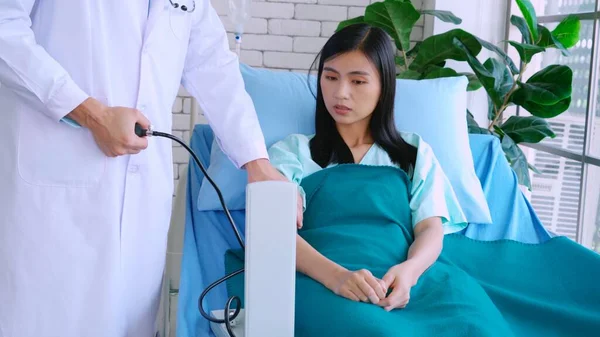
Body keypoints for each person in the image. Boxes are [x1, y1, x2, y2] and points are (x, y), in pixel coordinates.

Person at [0, 1, 297, 337]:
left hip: (140, 195)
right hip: (53, 188)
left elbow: (213, 67)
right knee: (43, 317)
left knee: (126, 318)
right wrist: (90, 113)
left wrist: (256, 163)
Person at [263, 23, 515, 336]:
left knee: (475, 325)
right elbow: (271, 232)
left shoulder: (413, 153)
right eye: (330, 77)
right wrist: (337, 277)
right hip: (322, 279)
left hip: (408, 279)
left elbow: (430, 229)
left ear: (384, 86)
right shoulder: (292, 153)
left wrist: (409, 273)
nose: (340, 92)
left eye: (357, 81)